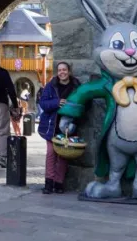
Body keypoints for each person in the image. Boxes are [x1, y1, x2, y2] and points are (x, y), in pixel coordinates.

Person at [38, 62, 80, 194]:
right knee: (51, 154)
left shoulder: (76, 86)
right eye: (60, 70)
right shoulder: (51, 85)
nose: (62, 72)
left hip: (68, 127)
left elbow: (84, 104)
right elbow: (43, 103)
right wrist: (57, 102)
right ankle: (48, 183)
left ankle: (59, 183)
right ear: (57, 72)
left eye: (64, 70)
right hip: (51, 125)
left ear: (69, 71)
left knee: (62, 155)